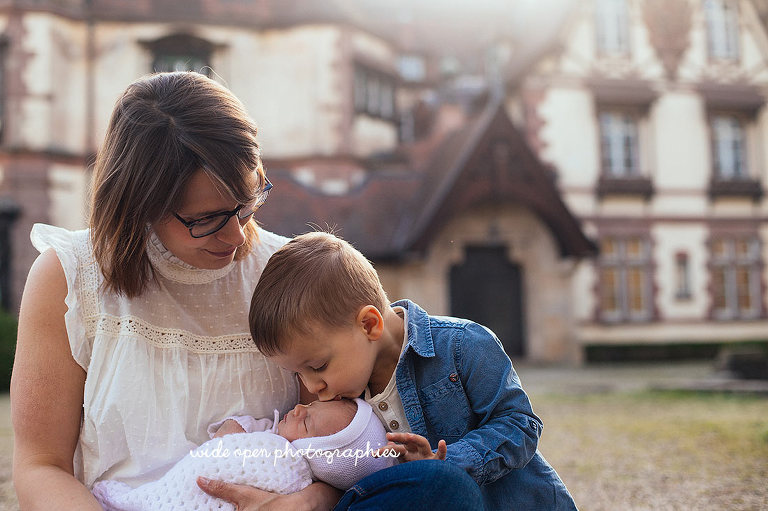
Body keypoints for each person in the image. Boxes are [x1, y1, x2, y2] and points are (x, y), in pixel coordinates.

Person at [11, 71, 484, 511]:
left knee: (444, 489)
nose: (237, 237)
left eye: (246, 203)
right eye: (206, 220)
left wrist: (309, 501)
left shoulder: (289, 275)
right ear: (140, 205)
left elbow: (339, 444)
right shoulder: (70, 277)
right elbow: (39, 467)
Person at [249, 231, 580, 510]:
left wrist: (446, 462)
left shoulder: (463, 345)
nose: (312, 387)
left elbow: (520, 424)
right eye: (298, 375)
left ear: (368, 324)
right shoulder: (339, 396)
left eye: (318, 366)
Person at [92, 399, 397, 510]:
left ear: (313, 453)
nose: (301, 408)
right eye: (313, 405)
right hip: (183, 482)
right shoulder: (268, 430)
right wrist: (232, 440)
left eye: (306, 421)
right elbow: (231, 431)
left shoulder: (294, 470)